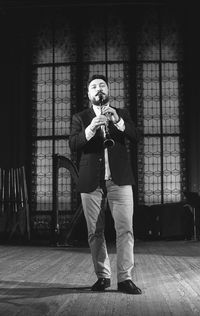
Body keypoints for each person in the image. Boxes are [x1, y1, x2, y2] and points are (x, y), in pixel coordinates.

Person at [69, 74, 141, 294]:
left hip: (119, 180)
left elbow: (137, 137)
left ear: (108, 91)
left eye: (102, 86)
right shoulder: (80, 117)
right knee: (94, 232)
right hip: (91, 181)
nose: (98, 89)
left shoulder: (122, 113)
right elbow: (73, 144)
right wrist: (91, 127)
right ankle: (103, 277)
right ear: (89, 94)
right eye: (93, 87)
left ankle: (125, 279)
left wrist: (118, 121)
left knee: (125, 230)